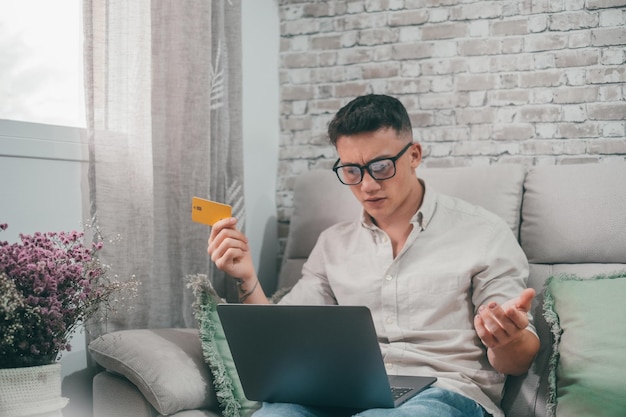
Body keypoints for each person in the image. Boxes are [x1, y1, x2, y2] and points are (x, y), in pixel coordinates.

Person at [208, 94, 540, 417]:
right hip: (339, 394)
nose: (367, 185)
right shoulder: (332, 244)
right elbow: (283, 346)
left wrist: (505, 339)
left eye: (380, 167)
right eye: (351, 170)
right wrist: (247, 278)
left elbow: (517, 361)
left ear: (414, 155)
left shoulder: (483, 232)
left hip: (444, 394)